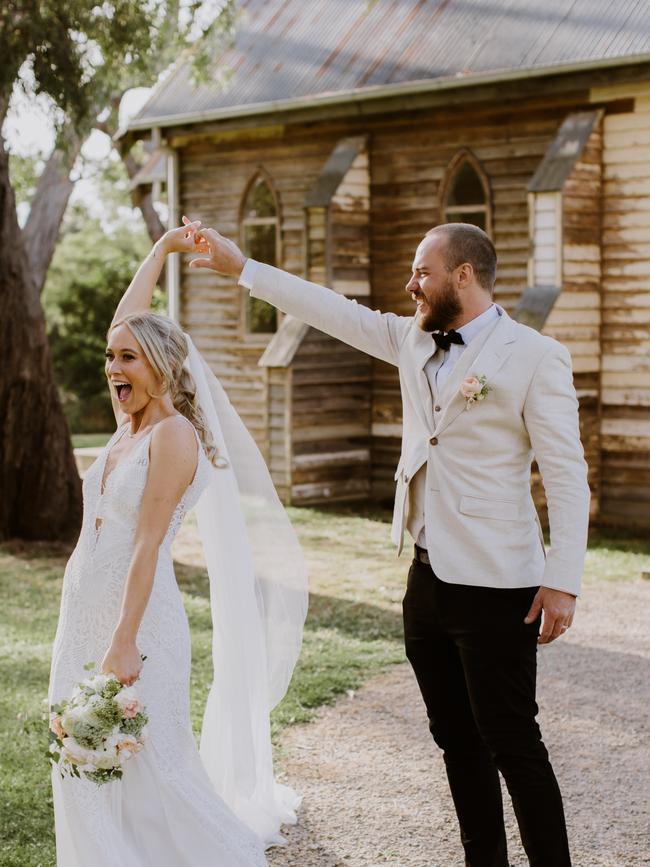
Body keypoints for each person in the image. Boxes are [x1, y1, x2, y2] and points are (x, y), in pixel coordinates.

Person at [189, 222, 590, 867]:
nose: (411, 285)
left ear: (463, 275)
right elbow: (332, 311)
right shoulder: (411, 339)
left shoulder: (536, 356)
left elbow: (568, 477)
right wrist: (243, 268)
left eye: (422, 273)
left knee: (513, 741)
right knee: (456, 741)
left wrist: (563, 578)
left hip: (498, 585)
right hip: (427, 581)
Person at [48, 220, 308, 866]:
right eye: (110, 358)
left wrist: (123, 640)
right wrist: (162, 249)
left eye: (127, 359)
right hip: (80, 616)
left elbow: (147, 545)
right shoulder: (128, 425)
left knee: (155, 771)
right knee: (84, 766)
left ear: (161, 366)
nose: (113, 367)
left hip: (135, 627)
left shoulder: (171, 436)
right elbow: (125, 320)